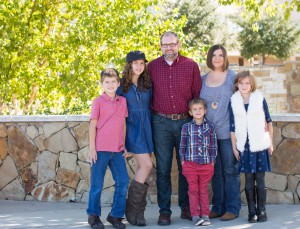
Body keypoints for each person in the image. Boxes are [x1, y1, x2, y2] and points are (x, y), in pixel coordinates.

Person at [148, 31, 201, 226]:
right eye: (165, 45)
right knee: (163, 169)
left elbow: (197, 96)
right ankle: (164, 211)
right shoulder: (151, 67)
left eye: (172, 44)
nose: (169, 48)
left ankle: (186, 207)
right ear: (160, 46)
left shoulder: (191, 66)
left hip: (185, 122)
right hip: (160, 123)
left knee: (185, 167)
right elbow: (146, 94)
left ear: (178, 44)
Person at [200, 44, 241, 221]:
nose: (217, 58)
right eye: (214, 55)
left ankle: (232, 208)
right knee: (215, 172)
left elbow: (244, 97)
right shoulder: (202, 79)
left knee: (230, 171)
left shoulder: (232, 77)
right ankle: (218, 207)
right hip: (209, 134)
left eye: (221, 55)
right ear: (210, 58)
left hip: (227, 133)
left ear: (225, 58)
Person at [86, 68, 129, 229]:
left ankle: (115, 215)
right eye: (107, 82)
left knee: (123, 182)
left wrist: (123, 144)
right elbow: (93, 125)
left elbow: (123, 124)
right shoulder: (98, 101)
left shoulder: (122, 102)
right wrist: (92, 148)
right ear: (101, 84)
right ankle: (94, 215)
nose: (110, 85)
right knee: (97, 184)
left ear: (118, 83)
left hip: (117, 150)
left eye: (113, 82)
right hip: (100, 150)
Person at [229, 70, 273, 223]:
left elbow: (269, 122)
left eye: (247, 83)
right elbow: (232, 127)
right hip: (244, 146)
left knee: (260, 179)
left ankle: (262, 211)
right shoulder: (233, 101)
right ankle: (251, 212)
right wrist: (234, 147)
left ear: (252, 84)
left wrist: (270, 142)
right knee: (248, 180)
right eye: (241, 83)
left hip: (259, 144)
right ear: (236, 84)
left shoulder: (259, 99)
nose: (244, 85)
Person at [117, 51, 153, 226]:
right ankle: (132, 209)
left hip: (147, 129)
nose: (139, 66)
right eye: (135, 63)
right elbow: (117, 115)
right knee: (146, 165)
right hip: (131, 130)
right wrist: (121, 141)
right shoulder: (121, 86)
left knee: (142, 167)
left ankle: (138, 212)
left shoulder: (147, 84)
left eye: (142, 63)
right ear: (129, 65)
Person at [179, 98, 217, 226]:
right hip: (190, 164)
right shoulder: (186, 127)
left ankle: (205, 215)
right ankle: (195, 215)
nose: (198, 111)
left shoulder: (210, 127)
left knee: (204, 190)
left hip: (206, 165)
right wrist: (183, 161)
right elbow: (182, 145)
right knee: (193, 190)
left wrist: (212, 162)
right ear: (190, 112)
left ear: (205, 110)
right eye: (195, 109)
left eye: (200, 108)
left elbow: (213, 146)